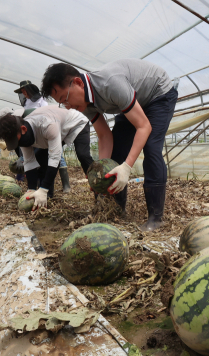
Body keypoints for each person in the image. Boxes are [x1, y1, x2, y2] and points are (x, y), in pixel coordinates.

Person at [41, 59, 178, 231]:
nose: (67, 107)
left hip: (157, 95)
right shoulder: (83, 103)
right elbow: (105, 136)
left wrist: (127, 167)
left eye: (65, 99)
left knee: (151, 148)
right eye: (62, 103)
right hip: (131, 101)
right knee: (116, 154)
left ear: (77, 83)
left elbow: (144, 126)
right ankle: (116, 211)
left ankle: (156, 219)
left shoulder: (110, 83)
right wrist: (100, 172)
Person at [0, 106, 93, 210]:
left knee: (83, 155)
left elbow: (55, 159)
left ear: (23, 129)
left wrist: (43, 189)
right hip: (55, 131)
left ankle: (99, 189)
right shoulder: (22, 135)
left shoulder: (47, 125)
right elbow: (29, 161)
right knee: (41, 161)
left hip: (75, 123)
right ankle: (47, 196)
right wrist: (31, 189)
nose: (18, 143)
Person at [13, 80, 71, 191]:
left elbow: (46, 114)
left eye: (25, 90)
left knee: (57, 155)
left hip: (45, 129)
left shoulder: (41, 100)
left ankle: (66, 184)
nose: (24, 92)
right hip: (31, 131)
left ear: (30, 89)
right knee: (37, 156)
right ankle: (39, 183)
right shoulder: (26, 103)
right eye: (22, 91)